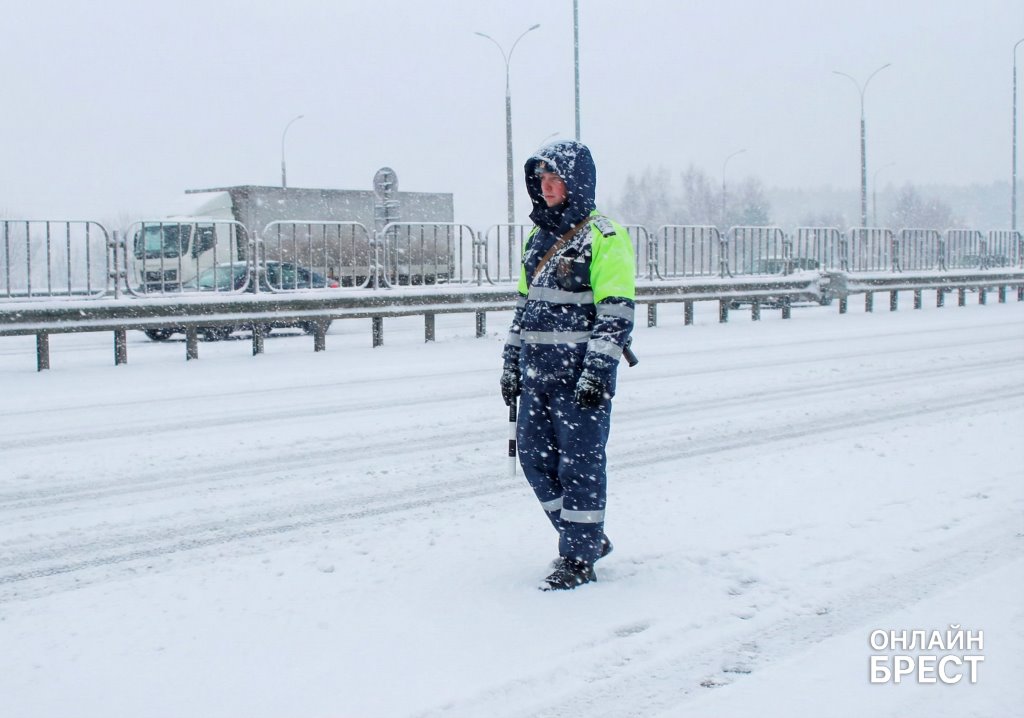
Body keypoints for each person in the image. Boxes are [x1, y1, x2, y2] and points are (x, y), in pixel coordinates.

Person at [500, 140, 636, 591]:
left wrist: (597, 371)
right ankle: (586, 538)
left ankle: (578, 559)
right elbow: (525, 306)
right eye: (541, 179)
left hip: (579, 379)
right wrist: (511, 363)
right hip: (538, 375)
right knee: (537, 464)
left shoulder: (605, 236)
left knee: (580, 467)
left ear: (576, 181)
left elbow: (615, 313)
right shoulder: (537, 238)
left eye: (556, 178)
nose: (548, 186)